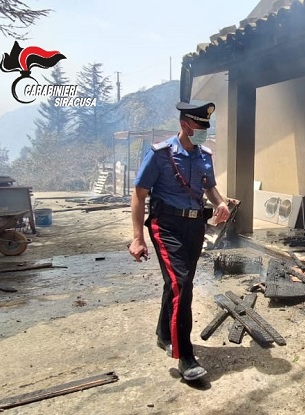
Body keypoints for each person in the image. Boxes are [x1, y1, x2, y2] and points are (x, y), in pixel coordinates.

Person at [128, 101, 231, 381]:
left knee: (177, 283)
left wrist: (221, 204)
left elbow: (209, 186)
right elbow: (139, 195)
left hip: (195, 226)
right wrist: (138, 238)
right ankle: (185, 356)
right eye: (200, 126)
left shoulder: (204, 155)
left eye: (207, 127)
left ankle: (164, 333)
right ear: (185, 125)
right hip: (166, 226)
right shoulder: (160, 154)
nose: (204, 132)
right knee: (181, 284)